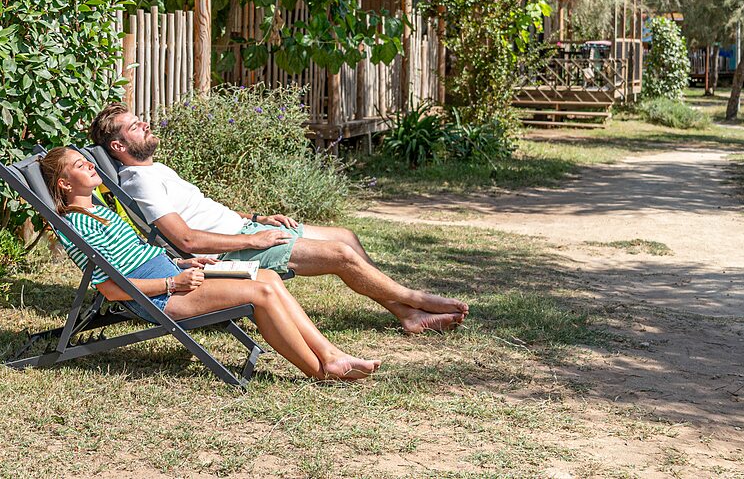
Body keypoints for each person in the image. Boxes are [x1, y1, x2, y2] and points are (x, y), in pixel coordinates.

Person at [90, 103, 468, 334]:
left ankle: (406, 313)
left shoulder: (156, 170)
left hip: (244, 229)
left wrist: (256, 218)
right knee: (341, 254)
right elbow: (185, 241)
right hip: (230, 252)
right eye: (136, 126)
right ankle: (414, 301)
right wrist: (253, 240)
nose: (146, 125)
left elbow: (204, 211)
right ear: (120, 146)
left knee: (347, 236)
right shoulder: (139, 181)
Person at [39, 147, 382, 382]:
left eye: (87, 160)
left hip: (172, 273)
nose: (90, 165)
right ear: (65, 184)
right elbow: (111, 289)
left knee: (267, 278)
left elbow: (133, 257)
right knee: (261, 291)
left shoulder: (99, 210)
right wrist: (173, 284)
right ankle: (320, 371)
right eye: (79, 165)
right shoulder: (74, 226)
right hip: (158, 298)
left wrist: (181, 260)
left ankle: (330, 354)